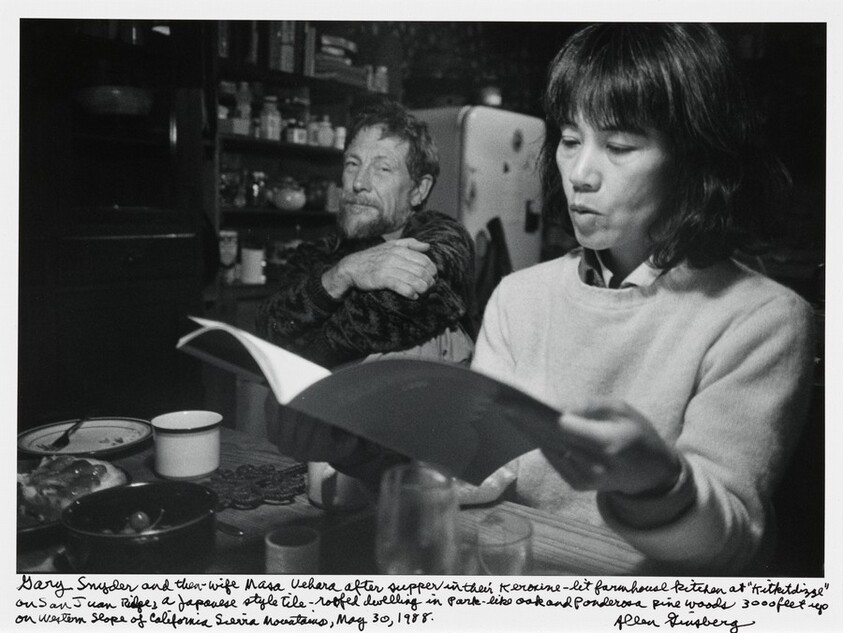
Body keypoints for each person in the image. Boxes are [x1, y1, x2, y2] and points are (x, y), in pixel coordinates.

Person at [471, 23, 816, 574]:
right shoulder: (518, 298)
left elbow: (729, 545)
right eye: (569, 140)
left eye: (619, 146)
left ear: (692, 161)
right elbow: (480, 472)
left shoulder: (762, 319)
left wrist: (660, 483)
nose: (580, 174)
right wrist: (379, 457)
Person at [256, 100, 475, 368]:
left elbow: (391, 312)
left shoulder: (443, 239)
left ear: (419, 190)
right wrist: (341, 274)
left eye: (382, 168)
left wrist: (306, 349)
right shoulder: (316, 253)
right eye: (352, 164)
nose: (359, 182)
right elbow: (269, 326)